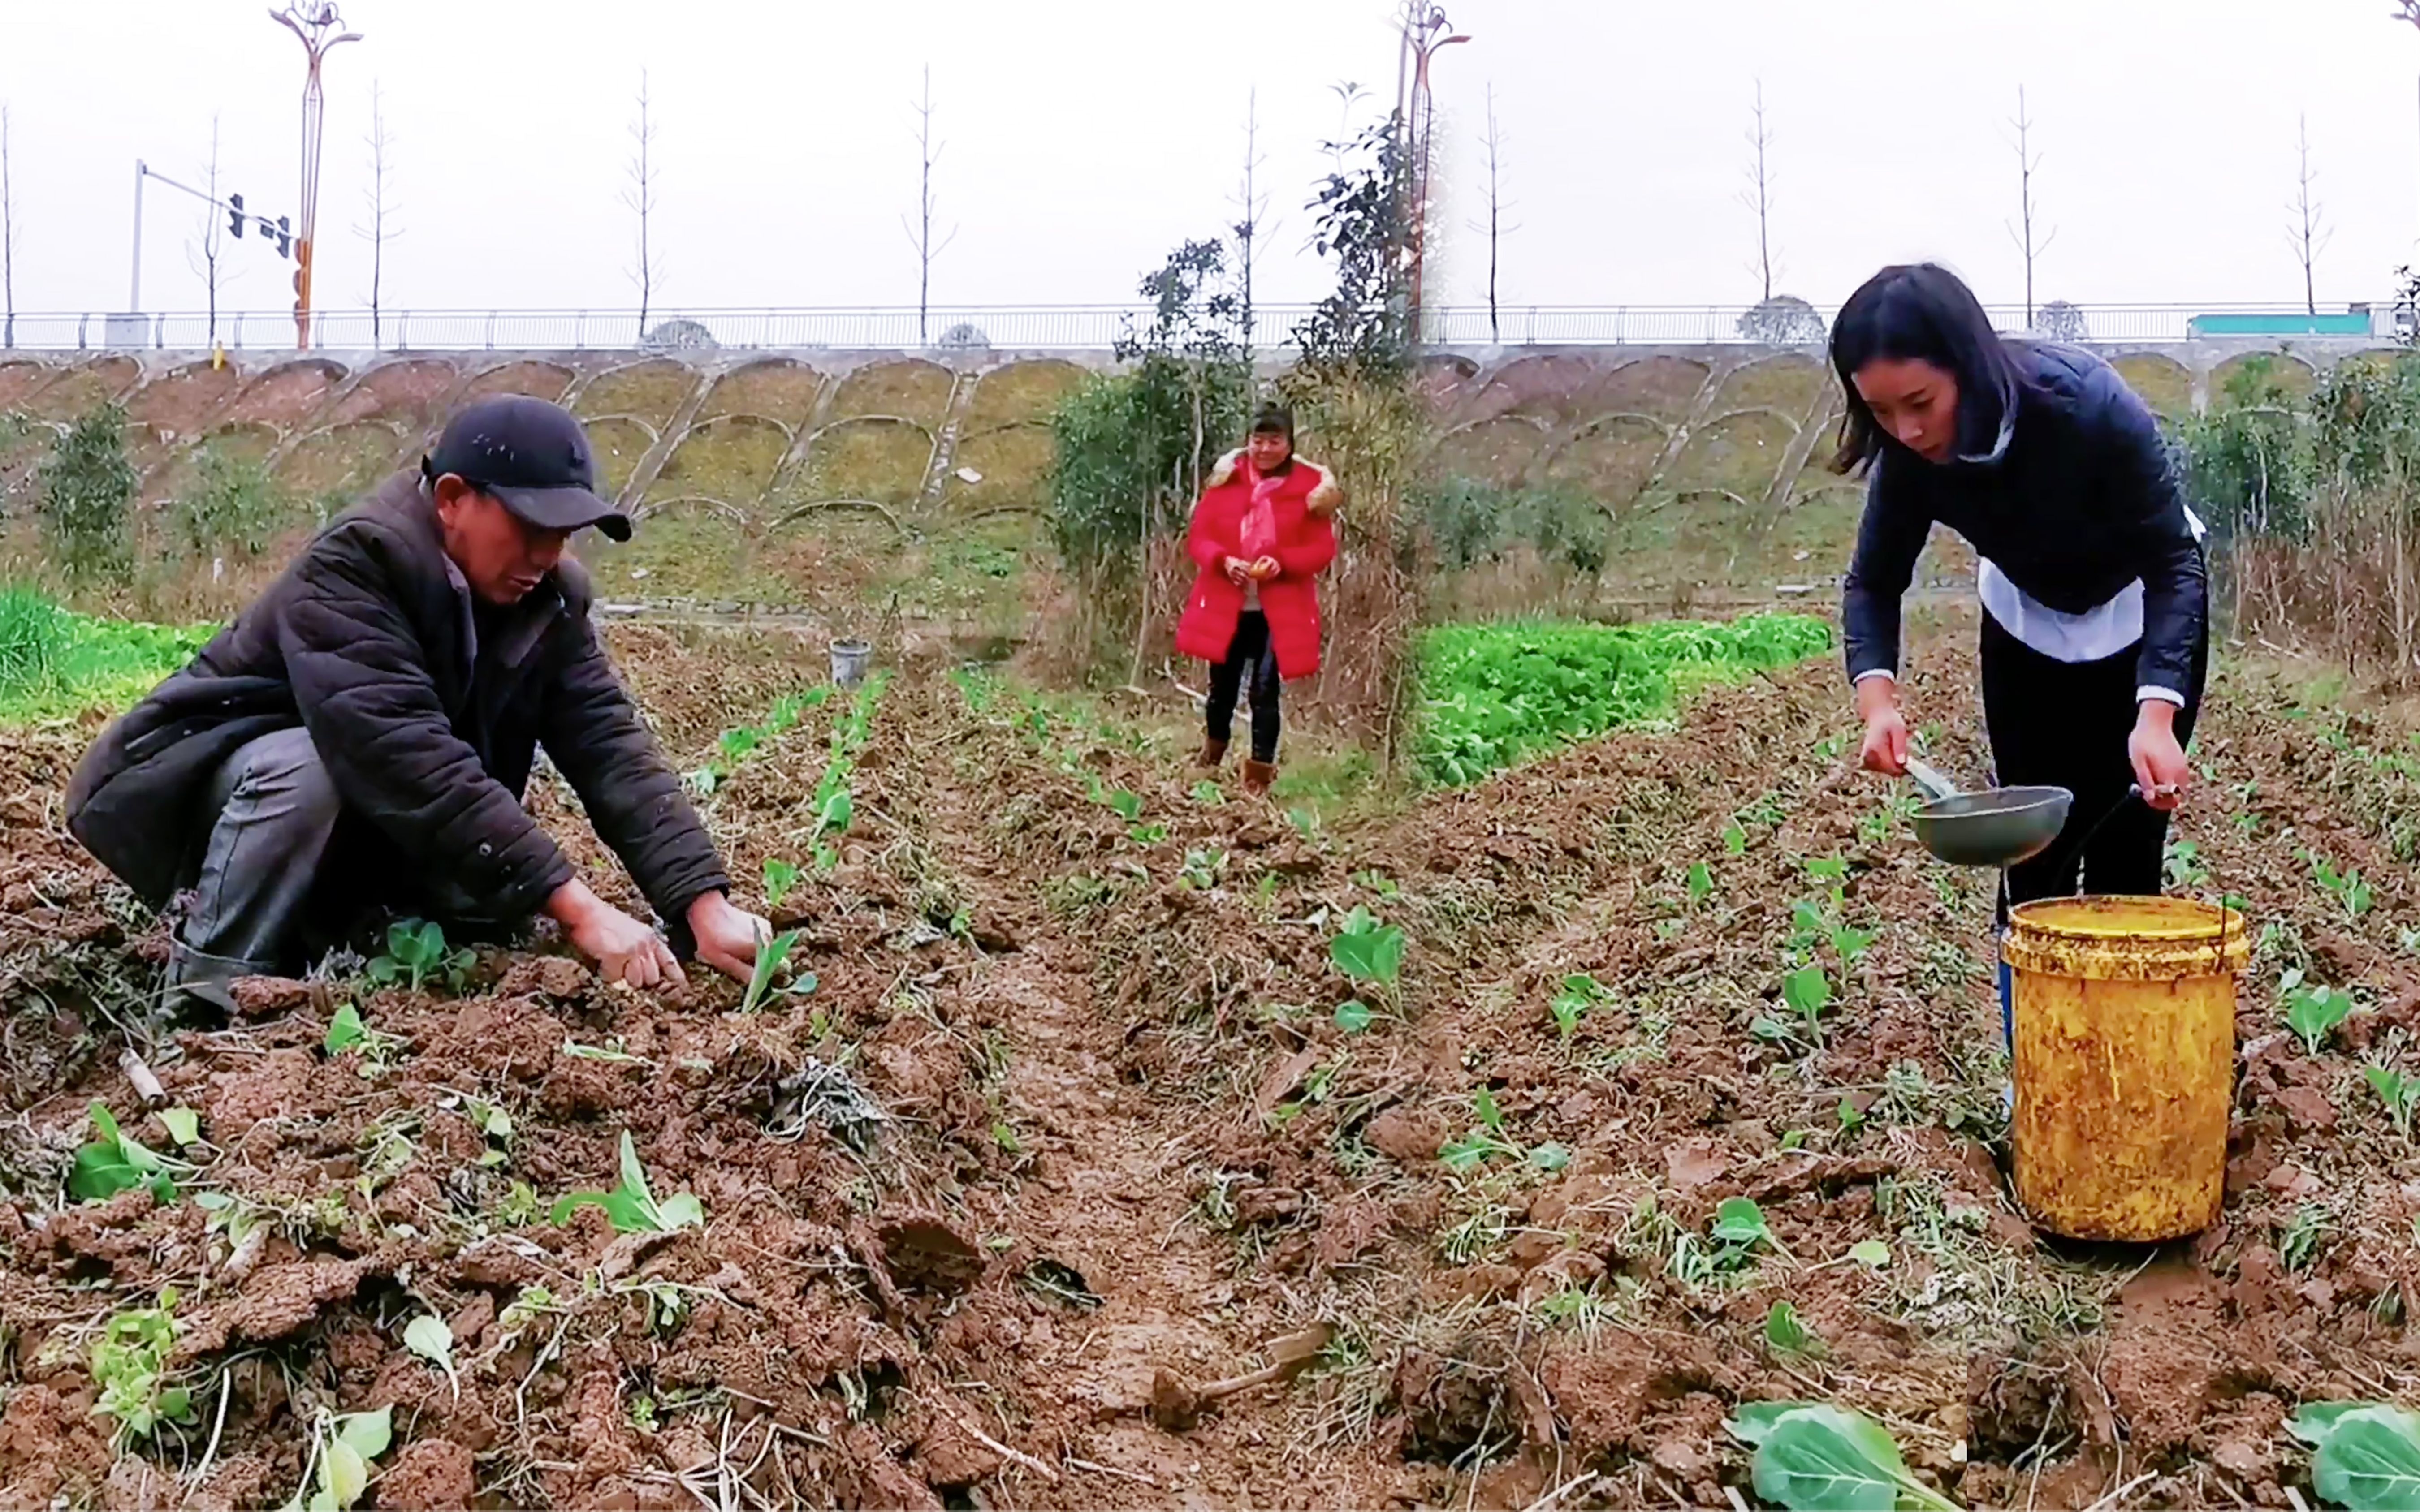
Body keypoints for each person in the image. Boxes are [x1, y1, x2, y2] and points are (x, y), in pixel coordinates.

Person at [67, 395, 770, 1013]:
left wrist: (700, 901)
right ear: (453, 498)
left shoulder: (549, 596)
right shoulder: (357, 565)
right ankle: (210, 992)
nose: (547, 553)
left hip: (351, 810)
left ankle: (343, 930)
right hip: (201, 793)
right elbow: (403, 755)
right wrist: (578, 908)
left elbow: (608, 743)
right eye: (530, 528)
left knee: (474, 892)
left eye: (564, 533)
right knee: (309, 765)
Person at [1832, 263, 2208, 1044]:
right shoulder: (1907, 457)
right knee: (2032, 854)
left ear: (1964, 367)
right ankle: (2036, 1071)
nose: (1905, 430)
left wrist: (2157, 714)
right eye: (1880, 411)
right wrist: (1877, 702)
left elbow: (2175, 562)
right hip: (2027, 623)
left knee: (2125, 853)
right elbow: (1874, 581)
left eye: (1920, 404)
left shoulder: (2088, 407)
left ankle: (2122, 1061)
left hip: (2139, 611)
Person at [1174, 403, 1341, 794]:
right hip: (1227, 603)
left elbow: (1322, 550)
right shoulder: (1227, 482)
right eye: (1258, 440)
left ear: (1289, 443)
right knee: (1223, 687)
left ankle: (1258, 777)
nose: (1265, 449)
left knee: (1265, 689)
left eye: (1274, 440)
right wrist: (1224, 559)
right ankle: (1211, 759)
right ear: (1248, 441)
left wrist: (1281, 562)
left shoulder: (1309, 490)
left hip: (1278, 610)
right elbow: (1199, 539)